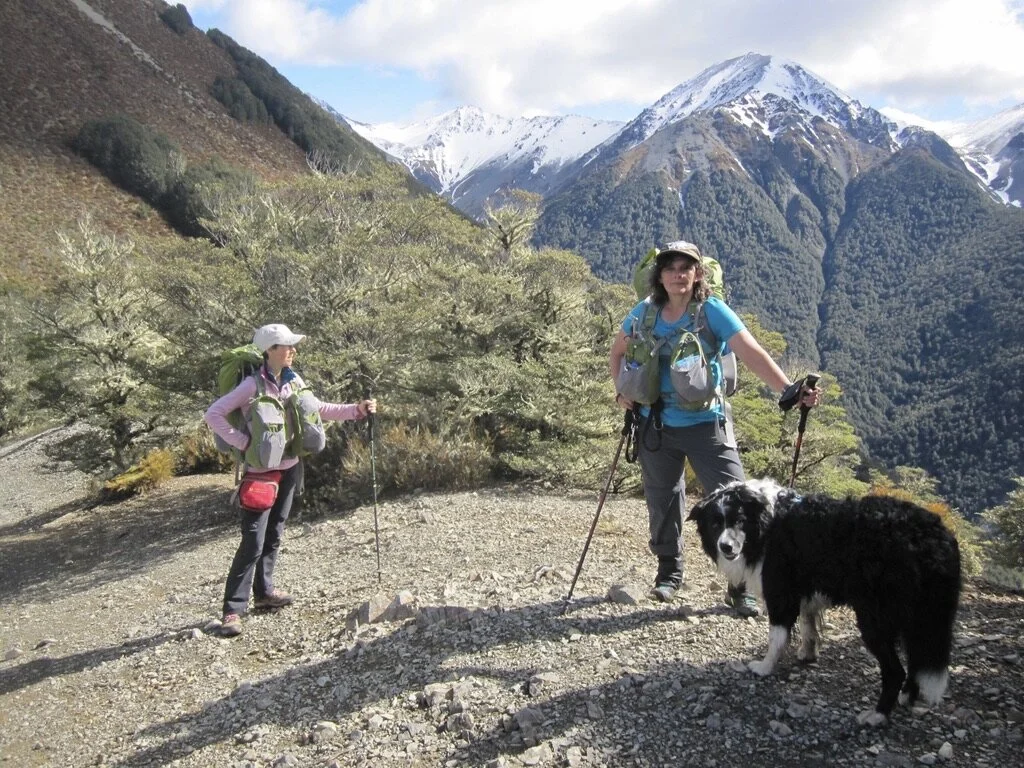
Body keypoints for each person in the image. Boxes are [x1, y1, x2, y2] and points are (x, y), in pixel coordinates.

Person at [609, 242, 819, 613]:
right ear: (659, 276)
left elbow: (751, 350)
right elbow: (618, 352)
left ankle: (741, 584)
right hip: (654, 424)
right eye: (670, 268)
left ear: (697, 273)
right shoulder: (643, 313)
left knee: (736, 502)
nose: (678, 274)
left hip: (708, 424)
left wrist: (788, 389)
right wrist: (621, 392)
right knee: (663, 501)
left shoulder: (711, 311)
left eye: (685, 267)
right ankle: (669, 573)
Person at [205, 323, 377, 637]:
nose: (293, 350)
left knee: (274, 534)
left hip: (289, 468)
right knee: (252, 541)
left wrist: (357, 411)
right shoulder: (251, 385)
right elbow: (214, 414)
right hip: (260, 473)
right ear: (270, 351)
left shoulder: (293, 380)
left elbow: (319, 409)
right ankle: (232, 609)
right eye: (287, 346)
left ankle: (265, 593)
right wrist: (243, 444)